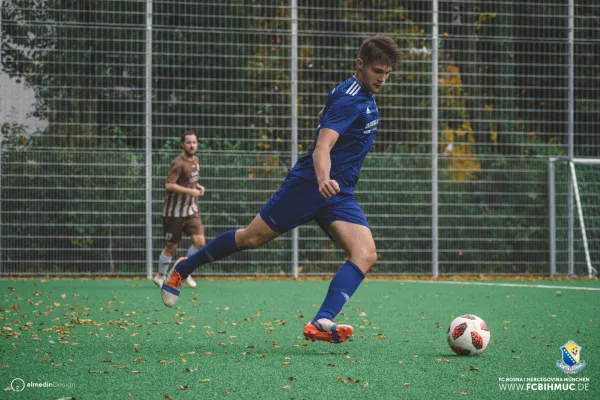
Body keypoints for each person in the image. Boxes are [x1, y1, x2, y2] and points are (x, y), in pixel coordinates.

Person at [161, 35, 400, 344]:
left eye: (387, 72)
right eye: (377, 71)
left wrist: (330, 168)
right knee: (251, 237)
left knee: (365, 253)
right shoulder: (349, 98)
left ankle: (320, 321)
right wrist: (324, 178)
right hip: (310, 185)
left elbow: (325, 119)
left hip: (338, 193)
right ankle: (185, 266)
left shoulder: (356, 94)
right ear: (360, 65)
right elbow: (322, 148)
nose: (382, 78)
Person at [154, 131, 206, 289]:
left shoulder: (196, 160)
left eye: (194, 142)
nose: (192, 145)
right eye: (189, 142)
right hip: (174, 212)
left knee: (200, 242)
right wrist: (190, 192)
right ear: (182, 144)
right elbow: (169, 184)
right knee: (171, 246)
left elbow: (191, 181)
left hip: (191, 210)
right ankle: (160, 276)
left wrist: (198, 186)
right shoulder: (178, 163)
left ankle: (185, 270)